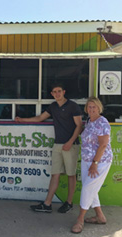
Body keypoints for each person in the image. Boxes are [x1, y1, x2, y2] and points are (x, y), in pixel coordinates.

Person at [15, 83, 83, 213]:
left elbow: (79, 126)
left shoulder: (72, 106)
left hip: (71, 145)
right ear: (52, 94)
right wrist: (22, 119)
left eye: (59, 91)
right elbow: (40, 118)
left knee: (71, 175)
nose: (57, 94)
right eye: (54, 92)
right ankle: (47, 204)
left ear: (64, 92)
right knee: (54, 174)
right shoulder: (53, 106)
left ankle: (69, 202)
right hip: (58, 144)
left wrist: (70, 142)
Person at [71, 97, 113, 234]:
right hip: (87, 161)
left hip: (99, 162)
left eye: (94, 107)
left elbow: (103, 145)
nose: (91, 109)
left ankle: (80, 219)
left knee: (88, 188)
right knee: (90, 188)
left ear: (99, 108)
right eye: (89, 107)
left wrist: (95, 163)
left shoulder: (103, 122)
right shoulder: (89, 121)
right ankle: (100, 216)